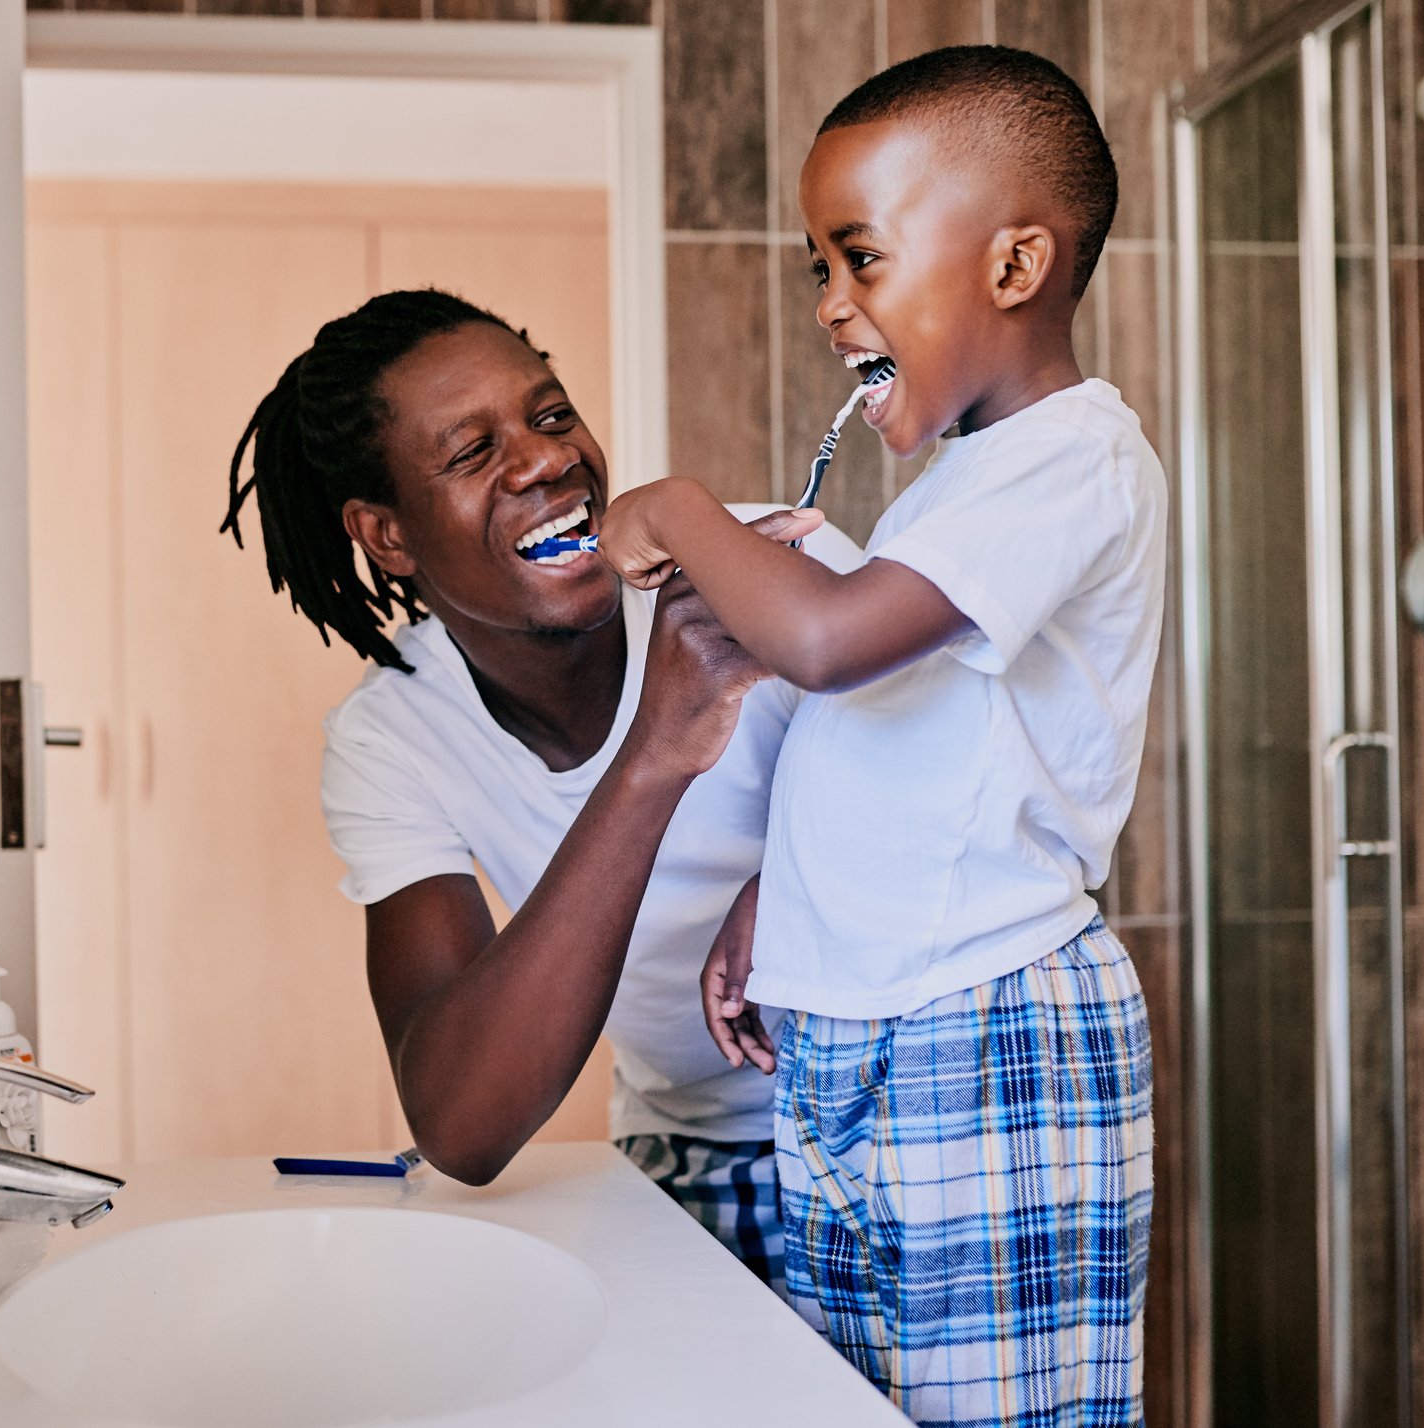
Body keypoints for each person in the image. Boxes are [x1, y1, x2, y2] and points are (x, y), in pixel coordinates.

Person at [595, 46, 1164, 1425]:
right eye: (818, 270)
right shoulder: (961, 485)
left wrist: (678, 512)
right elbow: (907, 742)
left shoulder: (1073, 456)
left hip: (981, 1034)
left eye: (860, 260)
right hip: (866, 1033)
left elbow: (829, 649)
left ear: (1016, 265)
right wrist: (775, 905)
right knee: (860, 1404)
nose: (830, 306)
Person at [222, 288, 859, 1292]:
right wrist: (656, 750)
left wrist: (793, 881)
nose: (546, 459)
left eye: (551, 415)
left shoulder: (749, 560)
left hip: (902, 1112)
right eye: (473, 452)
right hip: (691, 1150)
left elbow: (973, 778)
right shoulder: (394, 736)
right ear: (387, 537)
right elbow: (462, 1123)